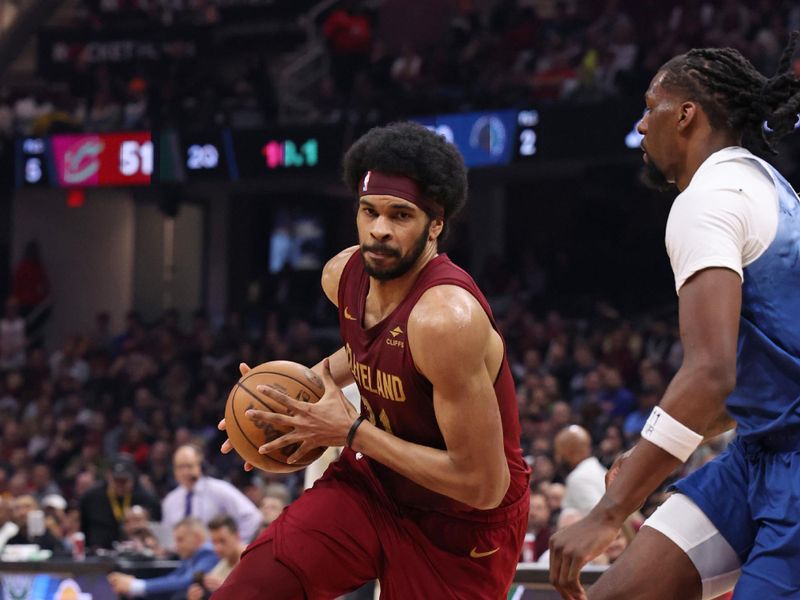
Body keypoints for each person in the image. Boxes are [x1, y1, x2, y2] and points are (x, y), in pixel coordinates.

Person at [215, 122, 530, 599]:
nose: (379, 230)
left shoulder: (446, 321)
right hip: (372, 488)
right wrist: (293, 399)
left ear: (436, 223)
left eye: (401, 215)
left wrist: (351, 432)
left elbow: (481, 484)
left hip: (462, 527)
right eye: (369, 211)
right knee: (252, 588)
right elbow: (372, 350)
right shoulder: (341, 275)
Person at [548, 36, 800, 600]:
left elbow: (711, 377)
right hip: (758, 454)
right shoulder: (770, 186)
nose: (640, 126)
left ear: (686, 115)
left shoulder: (707, 198)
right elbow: (758, 385)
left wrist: (612, 509)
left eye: (649, 106)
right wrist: (643, 458)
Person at [161, 445, 261, 544]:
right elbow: (168, 538)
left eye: (189, 466)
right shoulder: (170, 500)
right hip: (182, 559)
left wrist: (236, 546)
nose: (185, 472)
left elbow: (252, 516)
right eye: (180, 467)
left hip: (218, 556)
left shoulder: (219, 489)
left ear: (200, 465)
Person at [108, 517, 218, 598]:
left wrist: (136, 586)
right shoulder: (192, 555)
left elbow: (186, 582)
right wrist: (136, 583)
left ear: (197, 538)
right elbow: (173, 577)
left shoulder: (209, 552)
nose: (176, 546)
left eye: (180, 540)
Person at [79, 455, 161, 551]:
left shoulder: (147, 499)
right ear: (108, 476)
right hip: (99, 556)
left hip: (138, 557)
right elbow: (83, 527)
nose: (120, 485)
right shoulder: (91, 497)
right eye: (116, 480)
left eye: (124, 481)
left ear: (133, 478)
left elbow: (156, 530)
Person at [187, 516, 245, 600]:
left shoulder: (254, 560)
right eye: (214, 542)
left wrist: (227, 590)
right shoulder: (220, 567)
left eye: (222, 541)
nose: (218, 548)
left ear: (237, 537)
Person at [553, 425, 607, 515]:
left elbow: (600, 517)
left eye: (559, 451)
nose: (557, 457)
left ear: (568, 451)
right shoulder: (597, 469)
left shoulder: (578, 478)